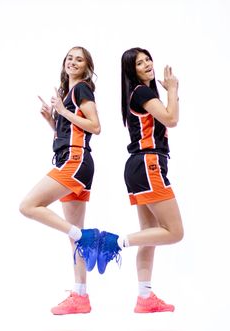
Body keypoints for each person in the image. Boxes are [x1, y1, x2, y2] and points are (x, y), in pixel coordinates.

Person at [97, 47, 184, 313]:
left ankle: (144, 297)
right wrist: (172, 89)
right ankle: (112, 243)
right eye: (139, 63)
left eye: (148, 59)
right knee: (175, 232)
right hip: (148, 165)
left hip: (139, 167)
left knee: (149, 236)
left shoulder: (136, 95)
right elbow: (171, 119)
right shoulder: (142, 92)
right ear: (131, 71)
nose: (147, 64)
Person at [19, 46, 101, 315]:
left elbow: (95, 127)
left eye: (79, 59)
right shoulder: (68, 94)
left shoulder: (81, 90)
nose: (73, 62)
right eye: (69, 58)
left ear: (87, 66)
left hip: (75, 161)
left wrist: (62, 111)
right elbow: (72, 131)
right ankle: (81, 296)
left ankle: (84, 237)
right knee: (73, 235)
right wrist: (51, 121)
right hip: (73, 160)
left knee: (28, 206)